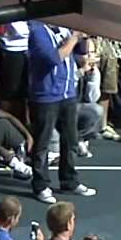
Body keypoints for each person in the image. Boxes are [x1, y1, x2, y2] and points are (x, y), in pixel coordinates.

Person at [28, 21, 96, 204]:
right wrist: (74, 38)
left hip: (67, 93)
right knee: (42, 143)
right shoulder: (38, 31)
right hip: (46, 95)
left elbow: (73, 53)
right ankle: (41, 185)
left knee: (70, 139)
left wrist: (83, 42)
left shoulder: (64, 29)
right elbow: (53, 58)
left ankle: (69, 180)